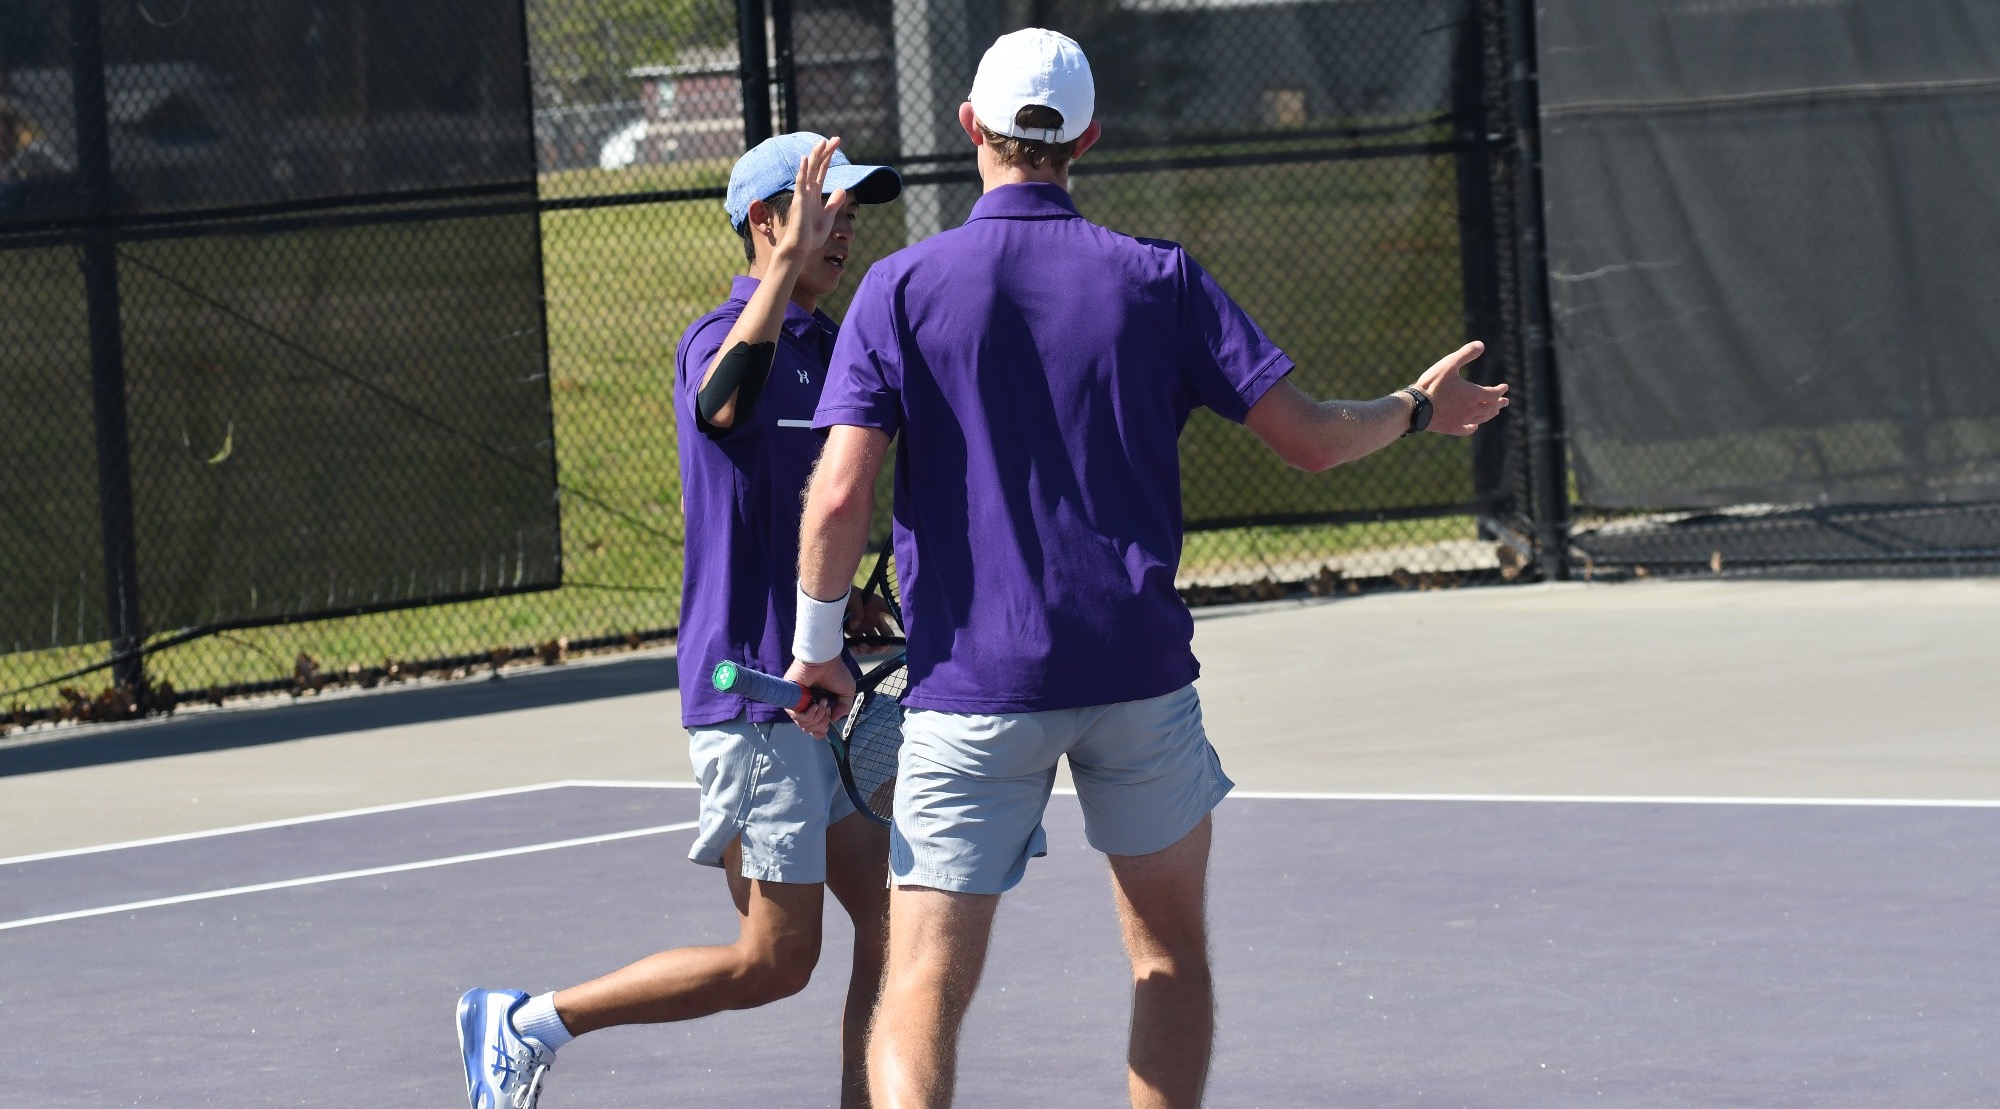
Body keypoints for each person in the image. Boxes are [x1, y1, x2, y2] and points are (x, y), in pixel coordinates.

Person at [781, 28, 1508, 1109]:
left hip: (969, 689)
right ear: (1087, 138)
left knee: (919, 978)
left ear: (970, 127)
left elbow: (838, 495)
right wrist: (1413, 410)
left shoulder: (899, 287)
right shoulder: (1159, 279)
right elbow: (1308, 437)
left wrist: (815, 648)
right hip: (1135, 680)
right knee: (1165, 956)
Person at [456, 132, 903, 1109]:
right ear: (766, 221)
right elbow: (718, 410)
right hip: (753, 701)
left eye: (853, 212)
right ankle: (527, 1021)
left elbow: (814, 511)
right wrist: (779, 274)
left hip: (825, 691)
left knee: (894, 915)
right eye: (828, 208)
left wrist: (846, 605)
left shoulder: (833, 349)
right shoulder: (717, 340)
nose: (847, 229)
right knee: (773, 958)